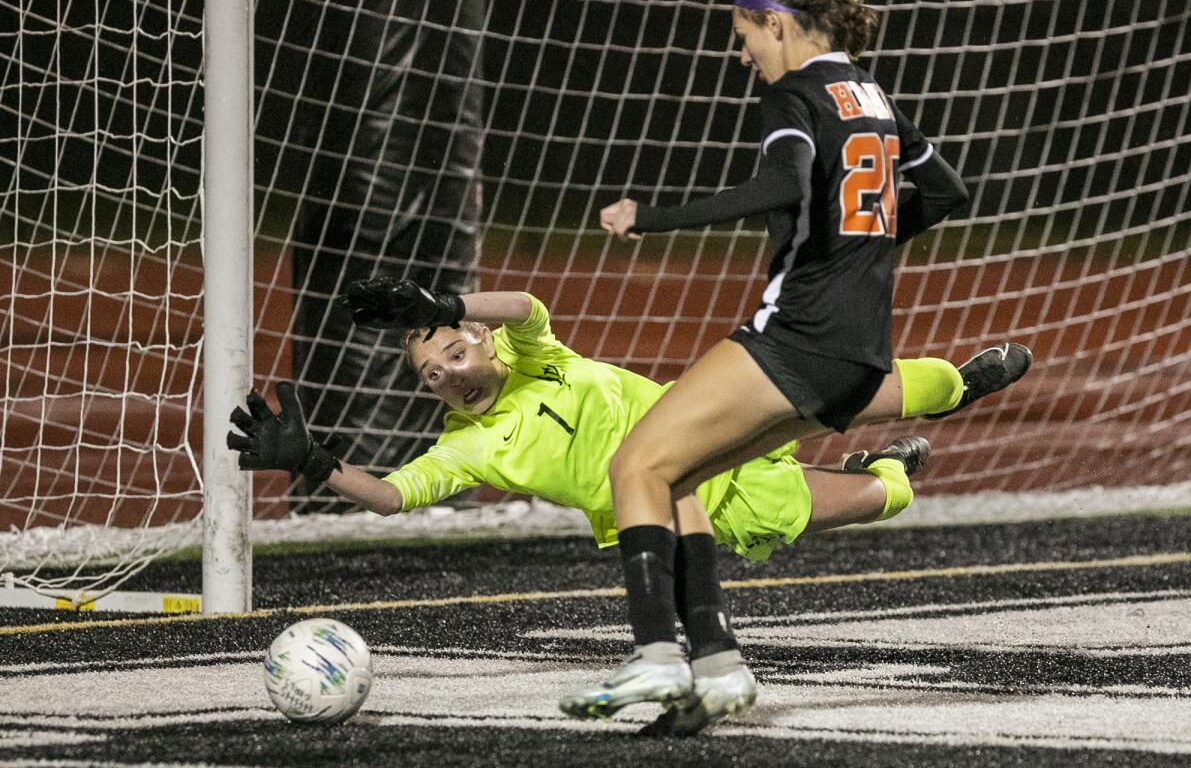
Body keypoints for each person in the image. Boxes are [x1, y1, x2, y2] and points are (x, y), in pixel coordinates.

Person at [555, 0, 1030, 734]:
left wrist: (653, 216)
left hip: (797, 337)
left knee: (632, 463)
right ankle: (715, 666)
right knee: (678, 480)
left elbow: (782, 179)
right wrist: (861, 247)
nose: (739, 54)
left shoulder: (795, 94)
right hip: (858, 354)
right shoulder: (869, 94)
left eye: (742, 35)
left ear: (775, 23)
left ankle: (654, 657)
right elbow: (946, 190)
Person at [227, 281, 1029, 733]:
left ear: (484, 344)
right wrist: (316, 462)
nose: (449, 374)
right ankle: (884, 472)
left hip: (712, 427)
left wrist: (444, 294)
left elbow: (528, 308)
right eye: (432, 374)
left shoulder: (537, 358)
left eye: (455, 351)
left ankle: (957, 384)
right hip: (708, 501)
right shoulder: (468, 444)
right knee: (882, 498)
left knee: (846, 390)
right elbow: (394, 497)